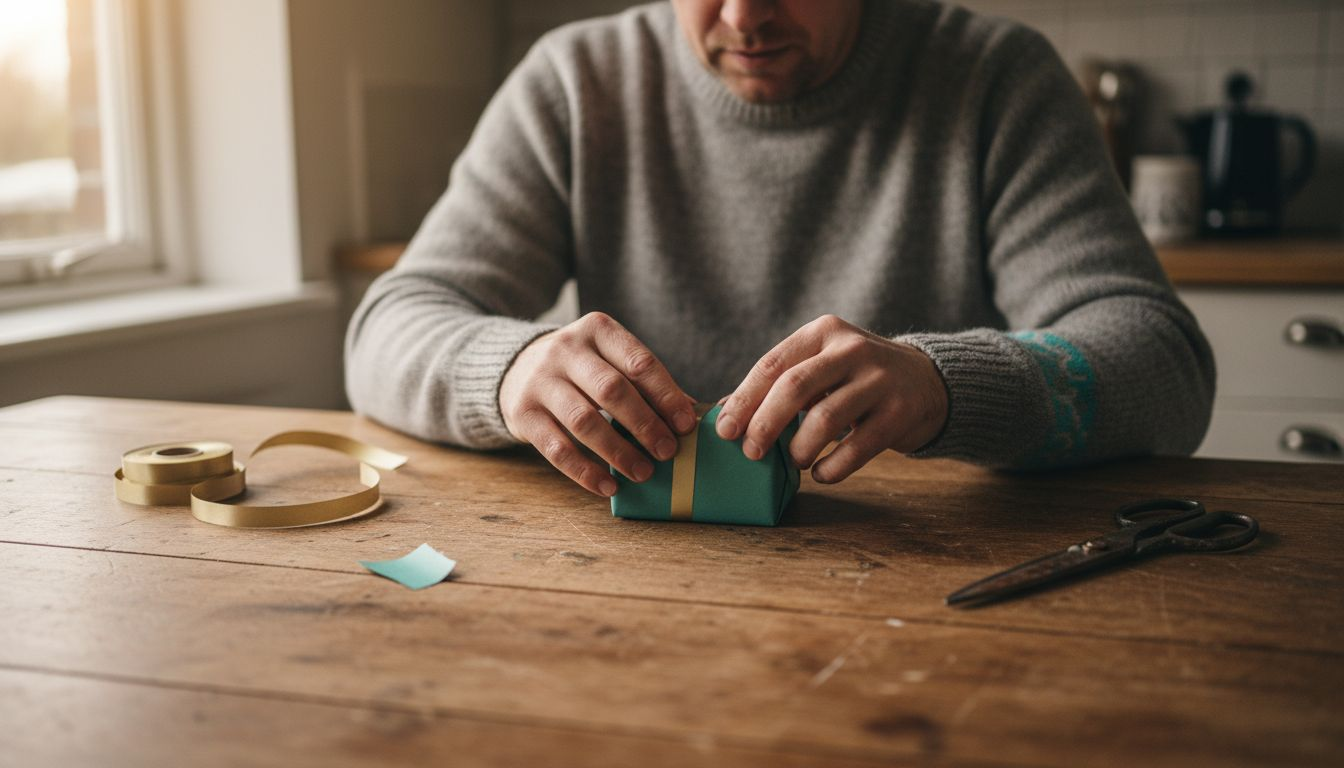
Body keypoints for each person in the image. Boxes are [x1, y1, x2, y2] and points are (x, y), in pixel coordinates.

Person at [345, 0, 1215, 499]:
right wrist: (509, 369)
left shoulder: (995, 77)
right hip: (638, 585)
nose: (743, 17)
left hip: (930, 582)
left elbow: (1163, 362)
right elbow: (389, 324)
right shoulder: (576, 80)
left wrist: (944, 386)